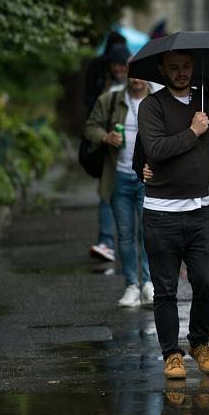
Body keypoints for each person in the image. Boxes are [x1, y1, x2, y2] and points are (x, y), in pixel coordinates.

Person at [134, 50, 209, 380]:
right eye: (174, 68)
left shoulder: (206, 99)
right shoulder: (151, 106)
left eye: (187, 67)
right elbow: (154, 149)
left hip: (199, 210)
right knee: (166, 289)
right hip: (160, 214)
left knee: (207, 282)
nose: (182, 73)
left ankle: (199, 342)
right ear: (162, 70)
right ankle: (171, 353)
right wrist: (194, 132)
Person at [84, 68, 153, 307]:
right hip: (119, 177)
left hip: (148, 178)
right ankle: (131, 285)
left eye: (141, 73)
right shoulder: (111, 100)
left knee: (148, 233)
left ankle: (148, 283)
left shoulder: (158, 101)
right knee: (125, 235)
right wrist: (105, 137)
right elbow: (90, 127)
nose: (136, 78)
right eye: (132, 73)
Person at [87, 41, 132, 264]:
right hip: (112, 159)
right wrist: (105, 137)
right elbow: (91, 124)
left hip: (139, 163)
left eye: (122, 64)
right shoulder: (106, 91)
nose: (118, 69)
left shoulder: (144, 91)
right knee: (107, 198)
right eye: (115, 64)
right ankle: (106, 242)